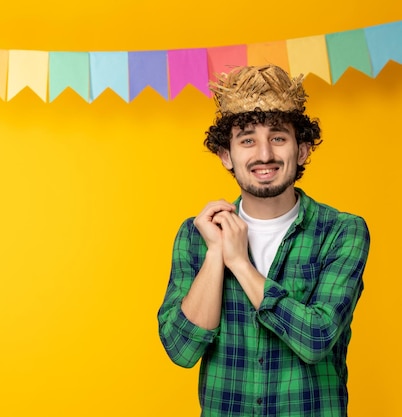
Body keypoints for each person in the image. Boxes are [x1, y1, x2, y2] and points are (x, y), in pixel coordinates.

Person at [157, 65, 370, 417]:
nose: (264, 154)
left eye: (278, 137)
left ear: (301, 150)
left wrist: (239, 263)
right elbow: (182, 350)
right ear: (227, 155)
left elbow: (316, 338)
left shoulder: (341, 232)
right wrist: (216, 253)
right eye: (247, 140)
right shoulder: (196, 235)